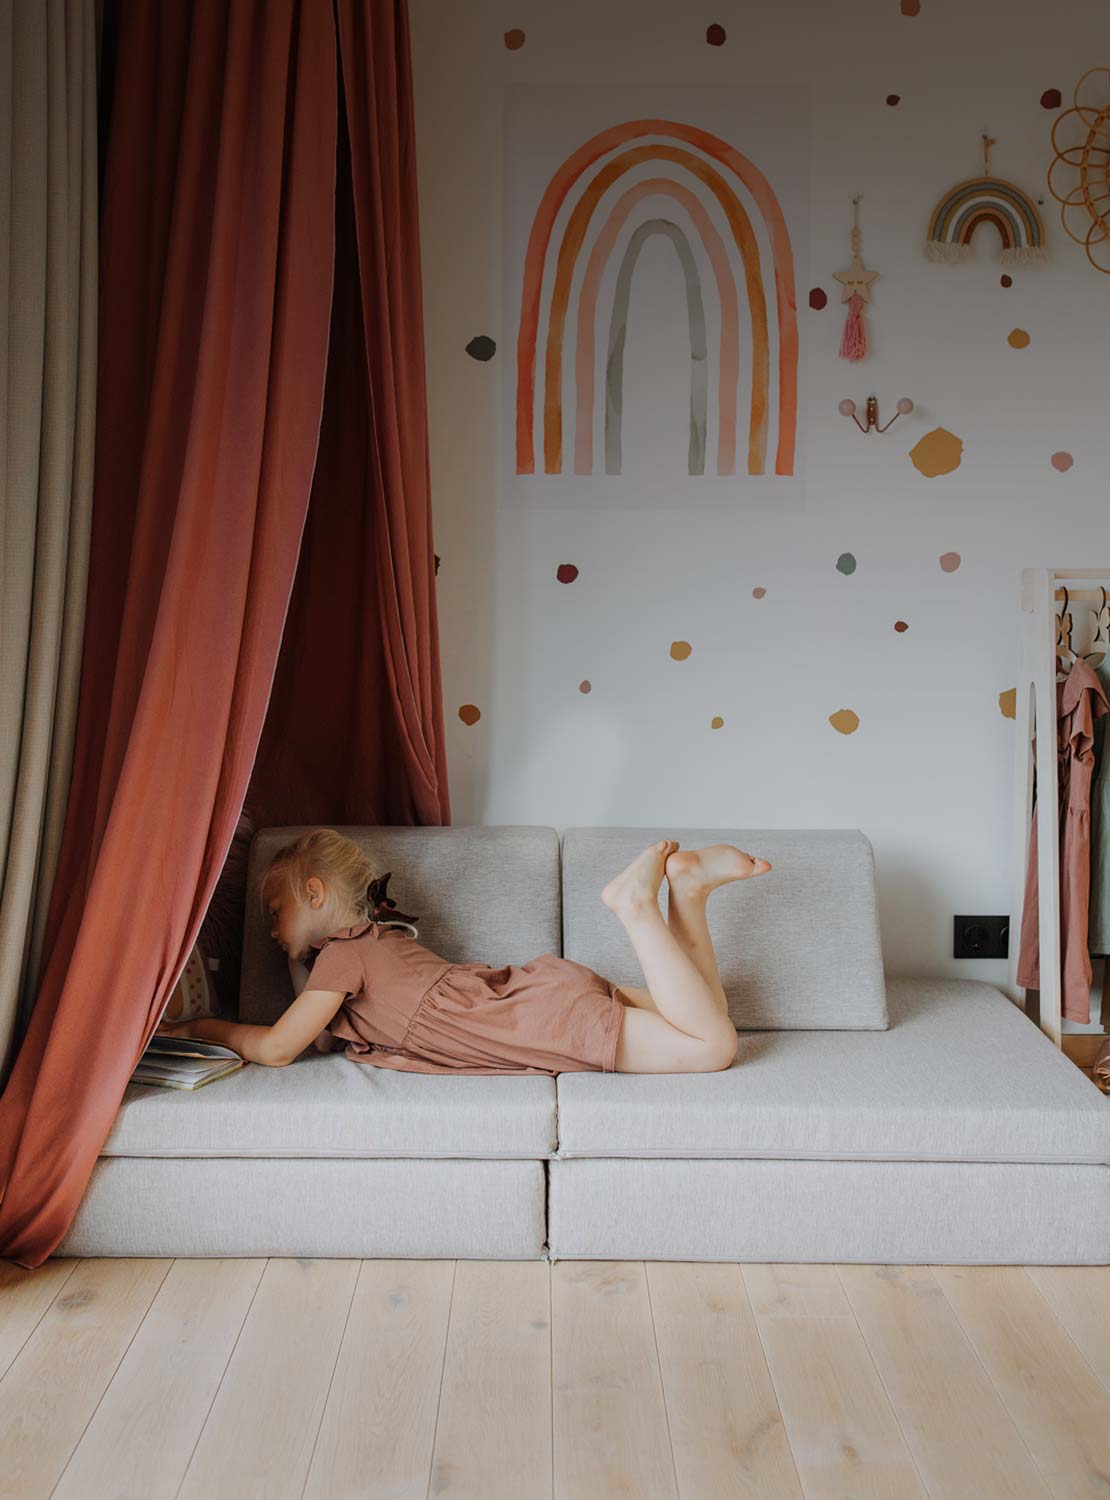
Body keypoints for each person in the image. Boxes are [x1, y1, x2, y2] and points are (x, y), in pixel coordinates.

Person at [157, 828, 771, 1074]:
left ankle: (635, 906)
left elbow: (279, 1047)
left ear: (313, 892)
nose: (269, 928)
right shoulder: (368, 949)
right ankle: (687, 895)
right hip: (535, 994)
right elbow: (318, 1038)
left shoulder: (346, 954)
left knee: (714, 1048)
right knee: (708, 1018)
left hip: (537, 1021)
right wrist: (297, 957)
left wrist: (199, 1026)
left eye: (276, 911)